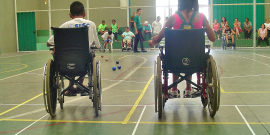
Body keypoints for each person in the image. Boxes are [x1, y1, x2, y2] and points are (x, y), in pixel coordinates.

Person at [148, 0, 215, 98]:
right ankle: (188, 89)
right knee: (190, 54)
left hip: (175, 60)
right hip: (196, 60)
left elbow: (158, 39)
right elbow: (213, 38)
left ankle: (174, 89)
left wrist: (152, 42)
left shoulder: (173, 18)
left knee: (178, 53)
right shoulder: (201, 17)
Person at [47, 1, 100, 96]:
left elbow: (49, 43)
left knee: (70, 55)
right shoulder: (91, 24)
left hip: (65, 62)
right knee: (86, 56)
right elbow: (97, 45)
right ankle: (81, 86)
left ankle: (70, 88)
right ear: (84, 13)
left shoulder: (64, 26)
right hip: (83, 62)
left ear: (70, 15)